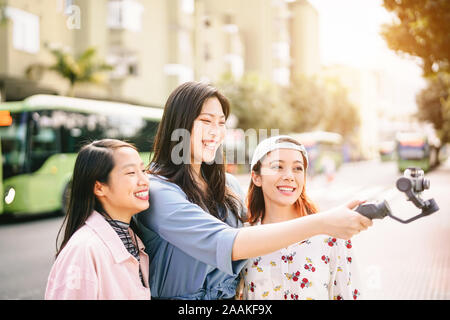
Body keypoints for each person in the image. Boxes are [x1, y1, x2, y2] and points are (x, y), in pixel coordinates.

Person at [136, 81, 372, 300]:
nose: (216, 132)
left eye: (221, 123)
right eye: (206, 121)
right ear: (180, 125)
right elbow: (228, 243)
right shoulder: (157, 192)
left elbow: (260, 234)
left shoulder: (229, 187)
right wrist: (322, 223)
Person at [240, 135, 362, 300]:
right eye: (277, 166)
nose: (289, 176)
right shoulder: (243, 240)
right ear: (257, 177)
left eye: (298, 168)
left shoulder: (331, 234)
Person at [45, 139, 151, 300]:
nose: (144, 181)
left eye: (143, 170)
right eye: (131, 173)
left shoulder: (132, 238)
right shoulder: (84, 249)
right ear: (99, 187)